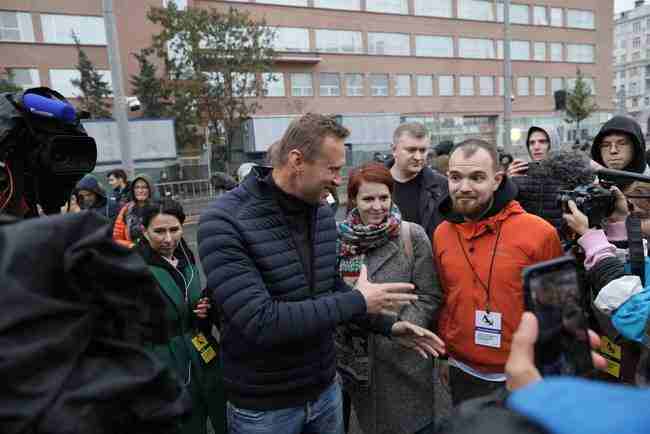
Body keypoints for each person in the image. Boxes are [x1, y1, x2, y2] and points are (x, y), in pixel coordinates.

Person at [198, 113, 445, 434]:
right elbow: (260, 321)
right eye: (332, 169)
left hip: (325, 392)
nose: (338, 180)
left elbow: (330, 291)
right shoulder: (224, 222)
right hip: (265, 407)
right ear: (297, 160)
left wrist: (389, 326)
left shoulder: (319, 213)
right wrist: (359, 302)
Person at [433, 139, 563, 406]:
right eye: (456, 177)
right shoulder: (442, 233)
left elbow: (554, 310)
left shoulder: (539, 233)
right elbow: (444, 298)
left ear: (497, 180)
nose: (464, 187)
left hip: (518, 375)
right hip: (461, 369)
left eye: (477, 177)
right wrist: (445, 356)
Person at [337, 162, 443, 434]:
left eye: (383, 197)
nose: (377, 206)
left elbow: (429, 294)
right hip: (355, 363)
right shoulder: (339, 241)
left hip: (404, 359)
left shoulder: (412, 234)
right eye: (368, 199)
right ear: (353, 200)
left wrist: (401, 328)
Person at [137, 199, 226, 434]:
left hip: (200, 347)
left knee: (219, 410)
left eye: (174, 229)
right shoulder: (132, 268)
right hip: (163, 357)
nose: (168, 239)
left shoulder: (186, 257)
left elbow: (192, 300)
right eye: (159, 231)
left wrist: (204, 309)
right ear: (144, 231)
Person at [386, 122, 448, 241]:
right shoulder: (374, 183)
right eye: (411, 150)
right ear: (394, 149)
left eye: (423, 150)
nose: (418, 157)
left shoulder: (442, 186)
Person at [591, 115, 648, 190]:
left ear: (636, 147)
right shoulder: (588, 184)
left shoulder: (646, 184)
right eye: (605, 145)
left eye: (622, 143)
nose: (613, 150)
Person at [113, 174, 156, 248]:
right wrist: (130, 245)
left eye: (144, 187)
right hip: (135, 254)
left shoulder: (159, 208)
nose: (140, 190)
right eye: (137, 187)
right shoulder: (126, 209)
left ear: (150, 189)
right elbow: (117, 238)